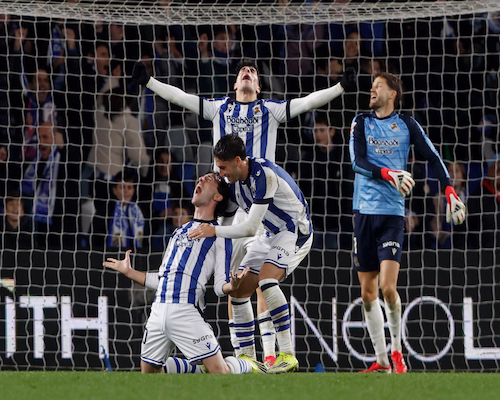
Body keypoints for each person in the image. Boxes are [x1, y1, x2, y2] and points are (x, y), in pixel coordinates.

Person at [132, 57, 356, 366]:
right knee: (234, 287)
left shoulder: (270, 112)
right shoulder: (219, 109)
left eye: (253, 71)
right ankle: (245, 360)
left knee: (265, 281)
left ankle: (275, 353)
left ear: (259, 86)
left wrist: (340, 87)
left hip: (263, 211)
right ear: (235, 84)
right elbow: (180, 97)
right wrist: (150, 83)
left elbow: (307, 102)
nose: (248, 73)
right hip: (232, 204)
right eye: (242, 72)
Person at [349, 72, 466, 373]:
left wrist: (450, 189)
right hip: (363, 212)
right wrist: (389, 173)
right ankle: (381, 359)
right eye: (372, 87)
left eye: (378, 86)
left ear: (393, 94)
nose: (372, 90)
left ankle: (397, 352)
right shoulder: (361, 122)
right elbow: (357, 161)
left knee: (388, 288)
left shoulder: (407, 125)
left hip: (392, 214)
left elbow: (434, 157)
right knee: (367, 292)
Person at [103, 172, 266, 375]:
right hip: (158, 310)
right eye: (200, 178)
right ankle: (196, 370)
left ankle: (248, 364)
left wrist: (232, 287)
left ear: (218, 197)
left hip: (186, 311)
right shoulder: (178, 231)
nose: (200, 180)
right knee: (150, 375)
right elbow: (162, 279)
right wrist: (129, 271)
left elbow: (219, 286)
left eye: (208, 180)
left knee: (220, 372)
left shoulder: (220, 236)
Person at [188, 135, 313, 374]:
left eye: (223, 167)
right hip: (270, 233)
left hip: (294, 231)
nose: (221, 172)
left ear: (238, 161)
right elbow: (225, 222)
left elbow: (249, 228)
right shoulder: (233, 184)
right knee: (238, 290)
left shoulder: (263, 175)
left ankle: (287, 353)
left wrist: (212, 230)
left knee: (266, 280)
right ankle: (247, 359)